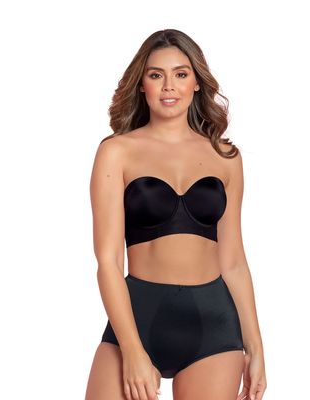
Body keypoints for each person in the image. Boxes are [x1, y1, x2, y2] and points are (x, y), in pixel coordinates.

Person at [85, 29, 267, 400]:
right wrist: (132, 350)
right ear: (142, 85)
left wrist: (256, 346)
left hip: (214, 324)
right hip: (137, 317)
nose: (169, 86)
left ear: (196, 83)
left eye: (180, 74)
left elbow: (233, 261)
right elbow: (108, 261)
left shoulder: (226, 158)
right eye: (156, 75)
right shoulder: (116, 152)